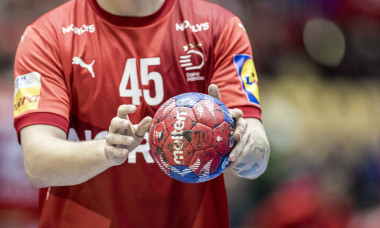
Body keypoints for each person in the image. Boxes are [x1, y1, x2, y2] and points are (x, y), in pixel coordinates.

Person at [13, 0, 270, 227]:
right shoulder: (46, 36)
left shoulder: (219, 27)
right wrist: (106, 152)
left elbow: (258, 160)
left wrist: (241, 146)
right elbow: (37, 164)